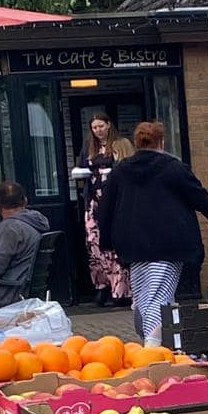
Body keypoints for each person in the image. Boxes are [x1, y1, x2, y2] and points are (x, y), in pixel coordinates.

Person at [98, 120, 208, 345]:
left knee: (144, 295)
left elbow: (105, 207)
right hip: (169, 242)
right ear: (161, 142)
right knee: (160, 295)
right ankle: (153, 346)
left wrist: (106, 240)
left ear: (137, 143)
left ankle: (161, 342)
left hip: (133, 244)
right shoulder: (173, 167)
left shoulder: (121, 171)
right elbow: (197, 195)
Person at [75, 113, 133, 307]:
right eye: (94, 128)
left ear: (109, 125)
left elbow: (128, 169)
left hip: (114, 202)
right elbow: (81, 169)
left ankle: (121, 290)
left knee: (115, 246)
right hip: (94, 202)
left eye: (101, 126)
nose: (98, 130)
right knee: (94, 245)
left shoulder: (121, 144)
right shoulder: (89, 147)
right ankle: (102, 287)